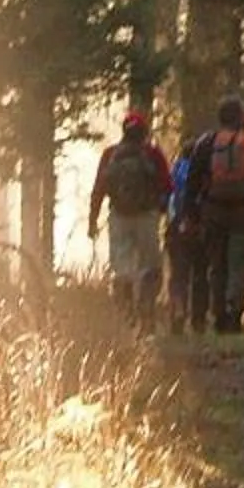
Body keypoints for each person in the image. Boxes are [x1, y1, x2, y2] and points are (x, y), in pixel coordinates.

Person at [184, 94, 244, 333]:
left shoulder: (206, 143)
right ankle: (234, 311)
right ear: (241, 117)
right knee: (239, 262)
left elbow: (192, 181)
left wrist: (191, 214)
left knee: (217, 264)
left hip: (213, 210)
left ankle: (218, 315)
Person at [88, 108, 173, 333]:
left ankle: (125, 315)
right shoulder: (153, 154)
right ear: (144, 132)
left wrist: (92, 220)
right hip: (146, 217)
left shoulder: (110, 154)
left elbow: (99, 188)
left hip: (118, 216)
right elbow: (167, 185)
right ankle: (146, 311)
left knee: (122, 268)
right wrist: (162, 210)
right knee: (151, 266)